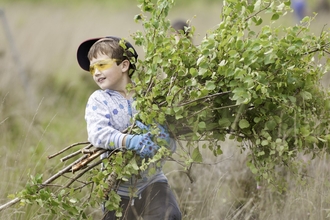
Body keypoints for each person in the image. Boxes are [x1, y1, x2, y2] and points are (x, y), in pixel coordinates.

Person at [76, 36, 182, 220]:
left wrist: (166, 140)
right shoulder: (99, 100)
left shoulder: (148, 95)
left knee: (169, 215)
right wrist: (130, 141)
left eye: (102, 65)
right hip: (118, 188)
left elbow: (170, 140)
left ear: (124, 66)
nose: (96, 73)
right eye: (92, 68)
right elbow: (98, 133)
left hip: (152, 180)